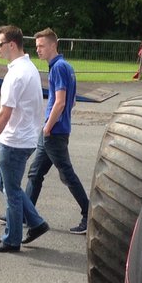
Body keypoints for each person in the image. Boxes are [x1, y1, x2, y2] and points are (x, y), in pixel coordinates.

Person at [0, 26, 47, 253]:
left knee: (11, 193)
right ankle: (36, 223)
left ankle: (11, 240)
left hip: (15, 140)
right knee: (6, 185)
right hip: (25, 138)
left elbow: (5, 112)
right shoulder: (28, 68)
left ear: (11, 45)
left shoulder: (16, 74)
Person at [25, 28, 89, 234]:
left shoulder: (59, 68)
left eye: (42, 46)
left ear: (53, 45)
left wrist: (48, 126)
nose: (38, 51)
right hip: (54, 131)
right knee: (35, 173)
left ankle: (89, 214)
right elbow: (73, 102)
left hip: (53, 132)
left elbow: (60, 102)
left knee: (67, 175)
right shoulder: (66, 67)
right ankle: (26, 214)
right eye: (37, 47)